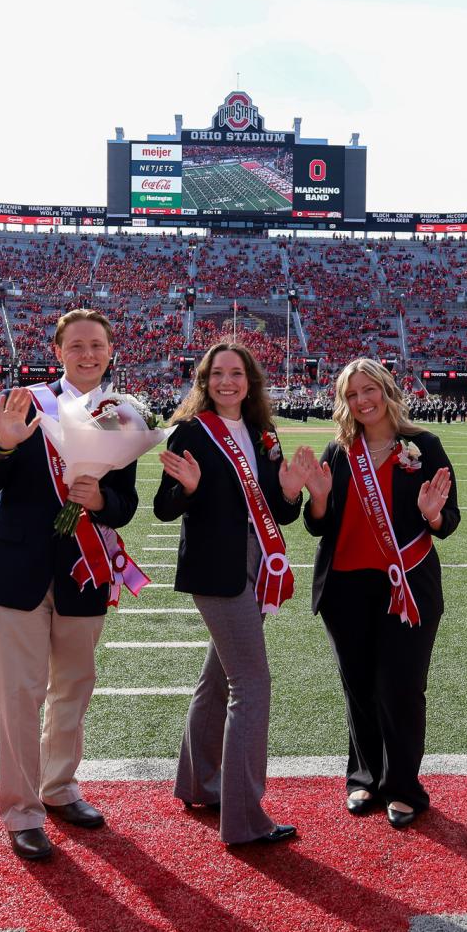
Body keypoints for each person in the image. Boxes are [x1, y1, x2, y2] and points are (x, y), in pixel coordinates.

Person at [0, 308, 139, 862]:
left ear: (111, 351)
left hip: (83, 571)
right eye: (77, 346)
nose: (88, 354)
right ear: (59, 351)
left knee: (73, 689)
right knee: (18, 695)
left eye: (97, 345)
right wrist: (9, 443)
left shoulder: (123, 414)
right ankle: (21, 812)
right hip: (14, 571)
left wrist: (102, 501)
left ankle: (60, 788)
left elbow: (126, 505)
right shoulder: (26, 401)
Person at [154, 341, 315, 846]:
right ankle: (244, 819)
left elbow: (282, 512)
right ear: (204, 380)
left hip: (257, 562)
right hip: (216, 566)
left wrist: (290, 490)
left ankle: (199, 782)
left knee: (219, 679)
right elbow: (162, 507)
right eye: (218, 373)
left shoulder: (265, 434)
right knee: (252, 684)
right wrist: (190, 489)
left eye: (237, 374)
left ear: (251, 381)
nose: (228, 382)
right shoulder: (190, 432)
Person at [302, 357, 458, 829]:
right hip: (345, 587)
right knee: (360, 688)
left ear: (386, 390)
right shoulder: (338, 450)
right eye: (351, 394)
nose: (361, 400)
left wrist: (432, 514)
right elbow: (318, 526)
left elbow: (449, 521)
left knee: (402, 688)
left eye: (368, 390)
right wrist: (321, 498)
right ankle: (364, 777)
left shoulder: (423, 446)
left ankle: (404, 787)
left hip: (407, 584)